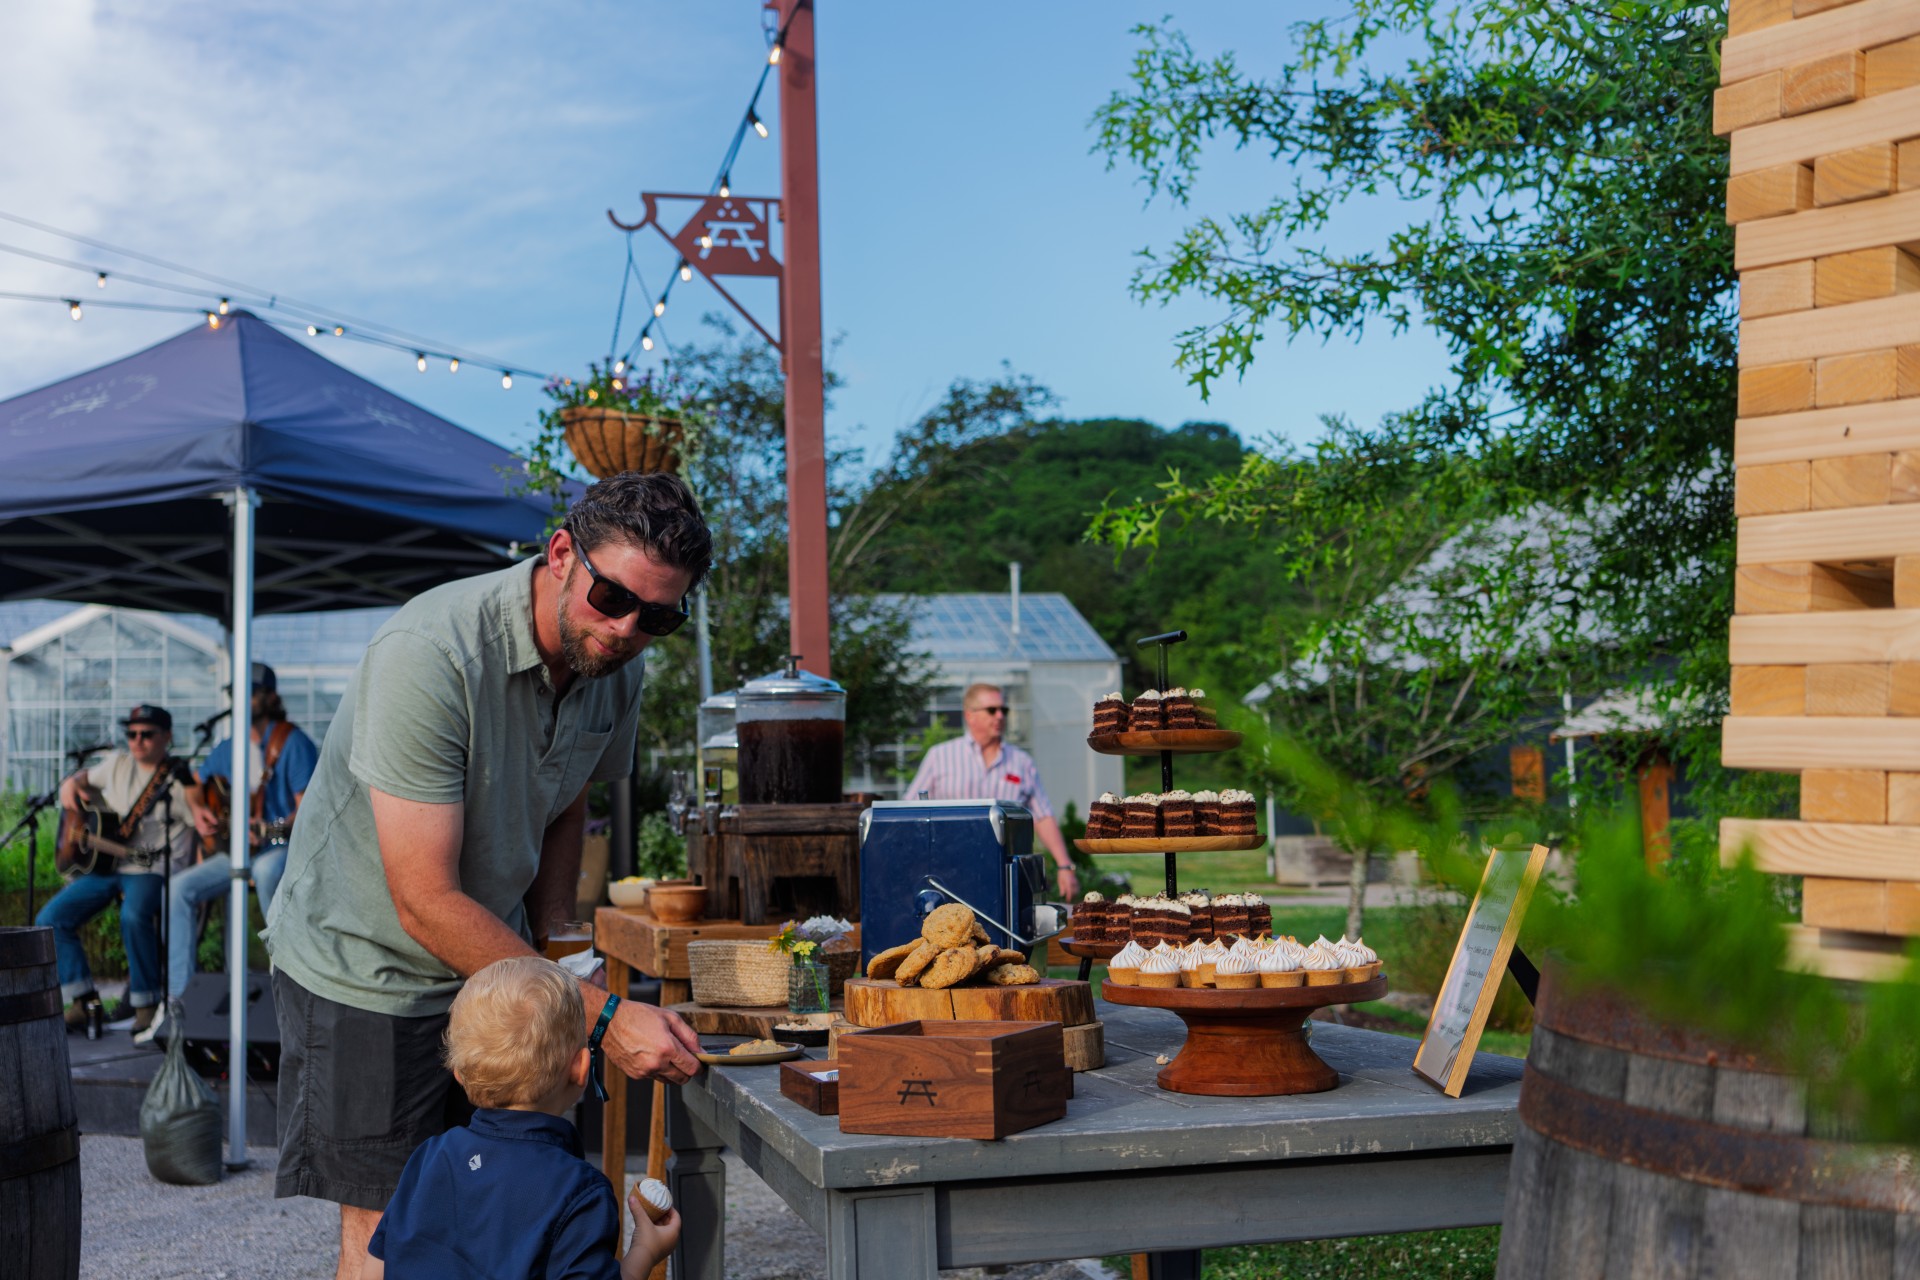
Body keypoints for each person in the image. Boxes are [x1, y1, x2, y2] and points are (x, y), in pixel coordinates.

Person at [265, 472, 711, 1280]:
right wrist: (604, 1016)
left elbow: (569, 803)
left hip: (493, 964)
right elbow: (424, 901)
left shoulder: (619, 661)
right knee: (390, 1231)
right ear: (564, 554)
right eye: (612, 598)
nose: (626, 629)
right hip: (369, 968)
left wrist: (564, 957)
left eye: (658, 616)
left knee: (517, 1210)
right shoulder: (430, 654)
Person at [364, 956, 681, 1280]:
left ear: (459, 1074)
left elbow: (372, 1273)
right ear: (581, 1068)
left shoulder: (428, 1159)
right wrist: (644, 1251)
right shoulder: (581, 1191)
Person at [140, 663, 318, 1046]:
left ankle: (281, 990)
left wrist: (272, 827)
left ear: (270, 697)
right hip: (236, 853)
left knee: (270, 871)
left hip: (280, 847)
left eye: (252, 692)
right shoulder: (227, 747)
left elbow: (311, 811)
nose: (244, 700)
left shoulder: (292, 742)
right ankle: (179, 1001)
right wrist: (199, 812)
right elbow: (195, 786)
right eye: (238, 693)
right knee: (179, 889)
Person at [38, 704, 199, 1032]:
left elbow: (202, 826)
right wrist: (72, 787)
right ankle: (84, 1001)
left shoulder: (180, 780)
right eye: (131, 734)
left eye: (147, 734)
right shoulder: (117, 764)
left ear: (166, 737)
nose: (137, 740)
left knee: (134, 915)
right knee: (50, 919)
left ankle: (146, 1003)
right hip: (109, 866)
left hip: (153, 868)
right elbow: (79, 780)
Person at [904, 682, 1079, 899]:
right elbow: (909, 811)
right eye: (991, 710)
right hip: (949, 871)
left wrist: (1064, 866)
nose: (1000, 716)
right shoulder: (940, 756)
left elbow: (1042, 816)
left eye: (1003, 710)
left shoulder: (1021, 762)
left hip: (1005, 873)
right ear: (970, 715)